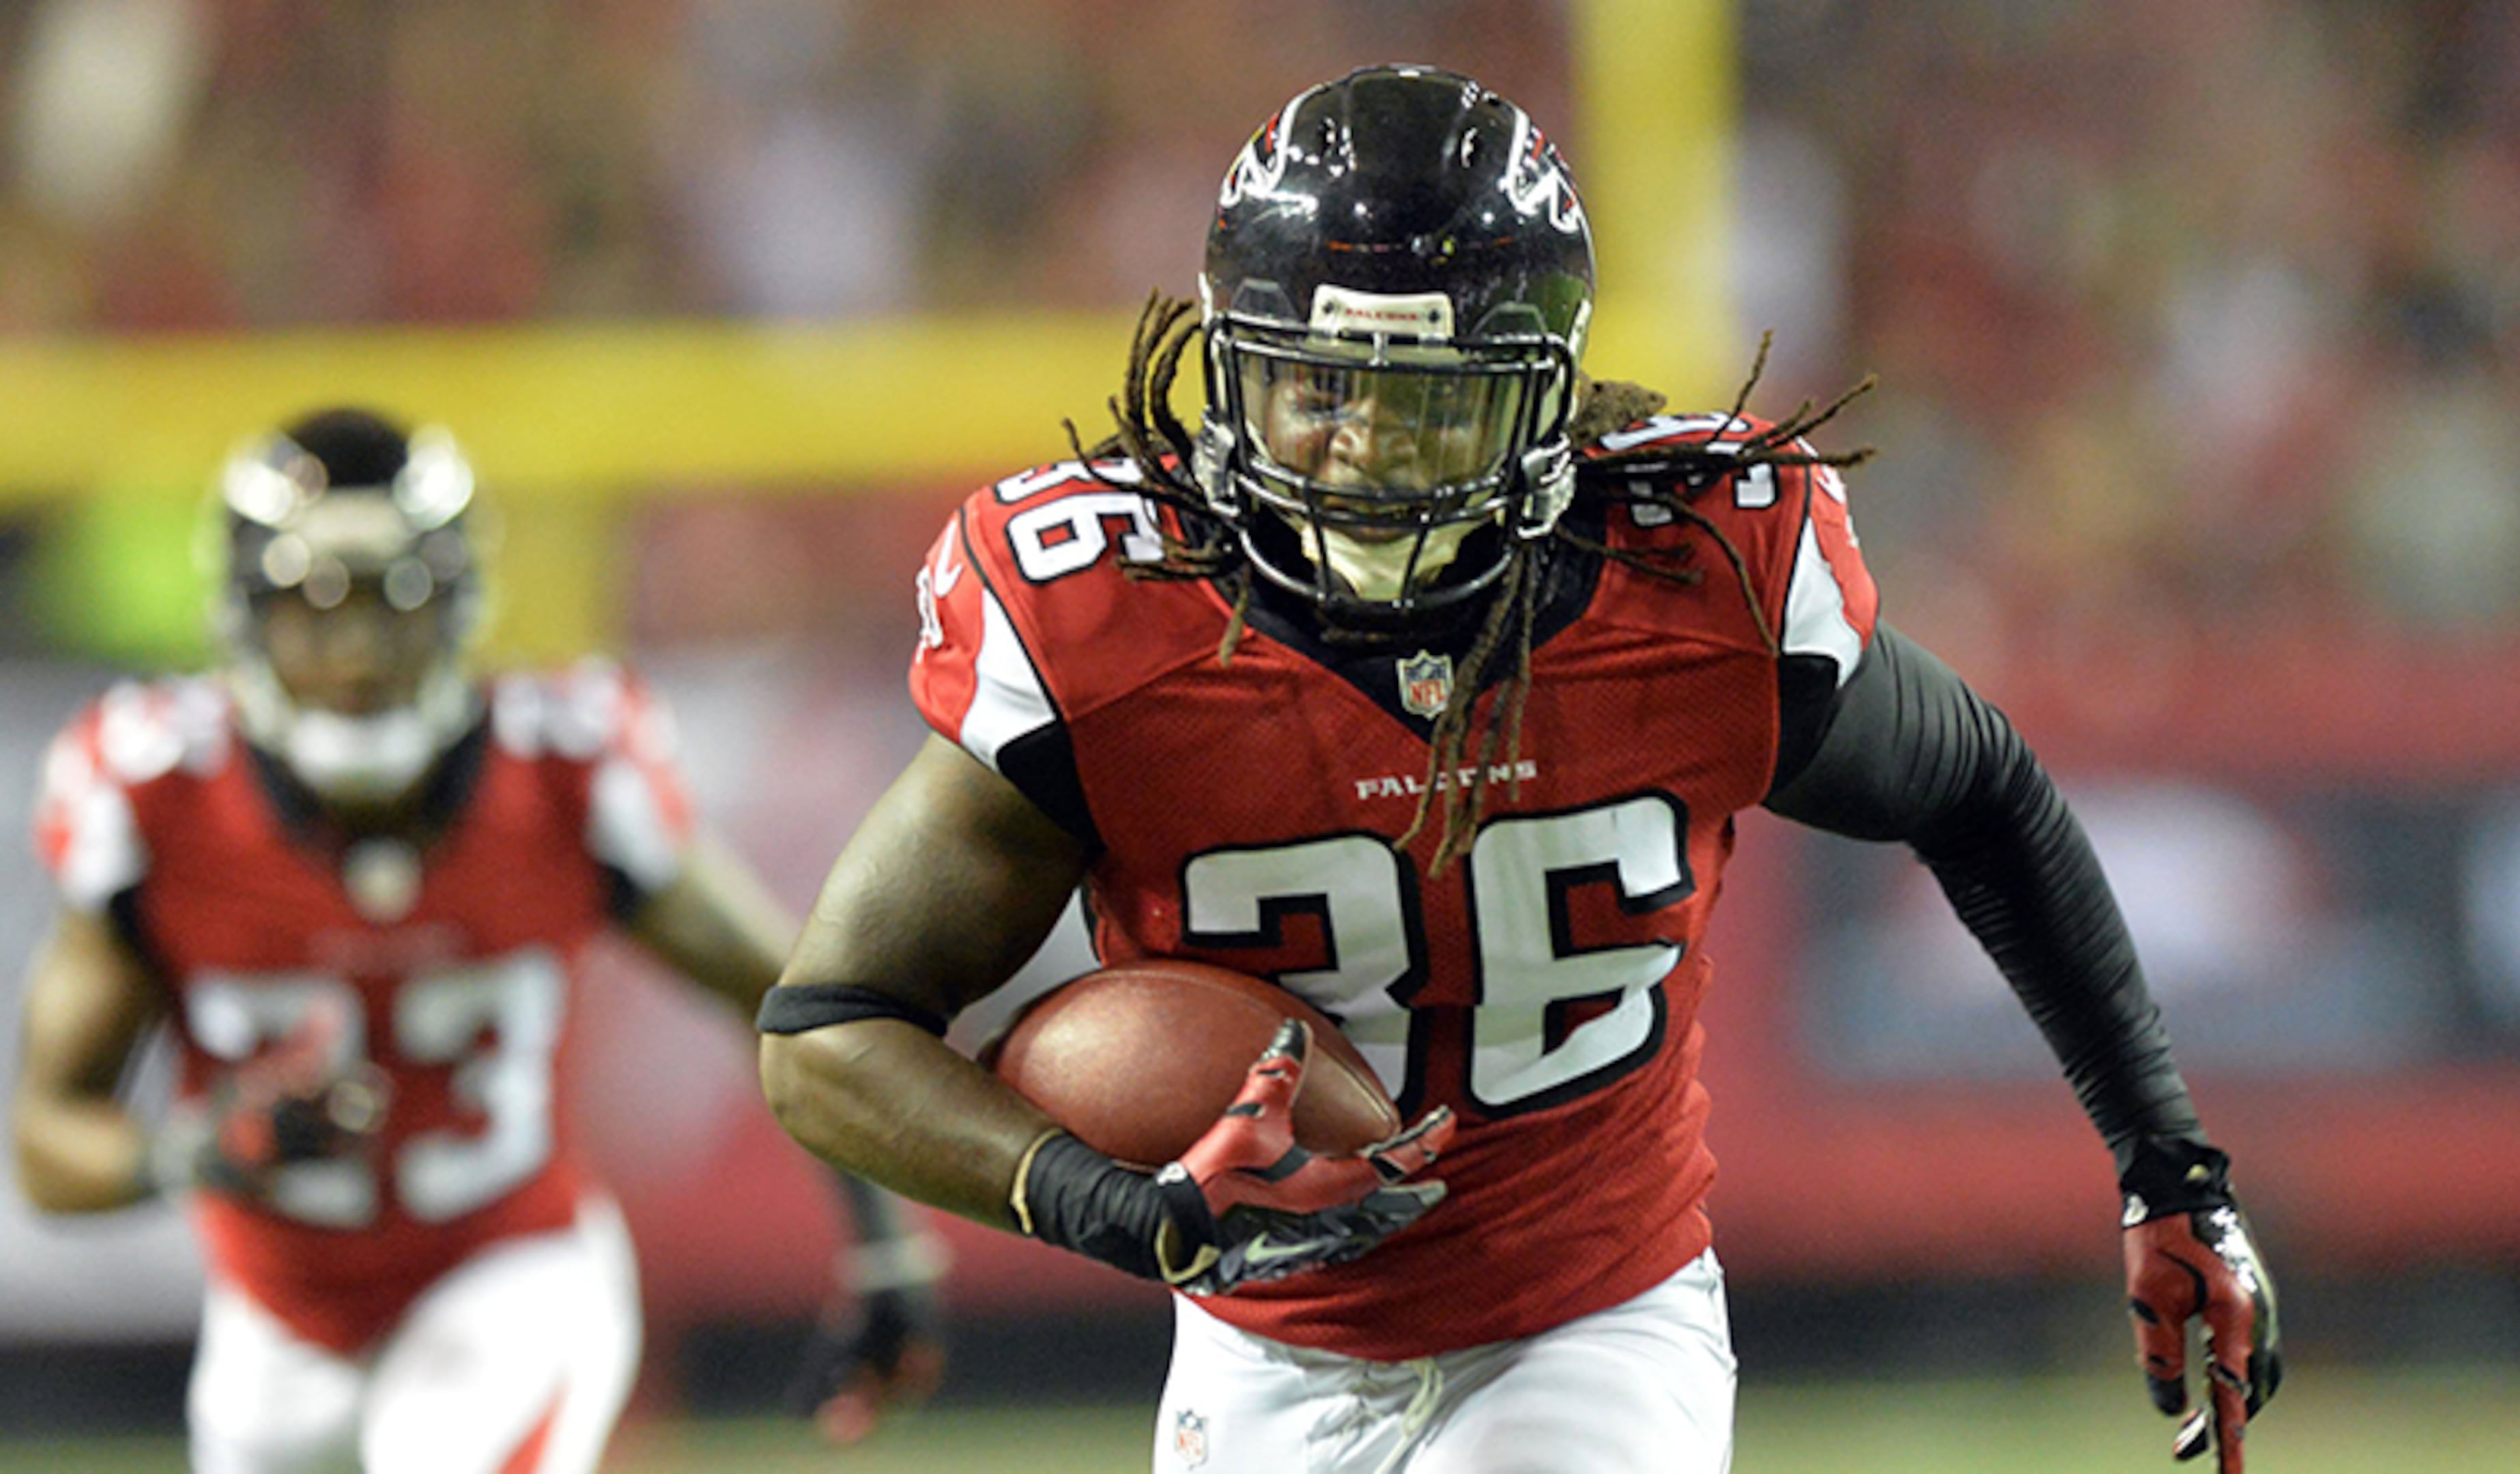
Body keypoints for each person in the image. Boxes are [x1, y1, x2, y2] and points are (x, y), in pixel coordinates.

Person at [758, 64, 2284, 1474]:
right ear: (1231, 372)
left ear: (1547, 399)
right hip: (1258, 1354)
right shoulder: (1106, 626)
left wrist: (2169, 1162)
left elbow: (1980, 792)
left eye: (1433, 407)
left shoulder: (1698, 585)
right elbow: (830, 1032)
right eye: (1322, 388)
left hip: (1591, 1320)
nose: (1363, 455)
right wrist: (1103, 1202)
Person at [12, 407, 944, 1473]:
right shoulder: (153, 797)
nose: (358, 651)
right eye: (316, 607)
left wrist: (886, 1252)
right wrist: (195, 1153)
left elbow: (796, 1002)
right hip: (274, 1322)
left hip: (509, 1273)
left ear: (456, 604)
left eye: (394, 601)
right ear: (246, 616)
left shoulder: (560, 769)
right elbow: (47, 1143)